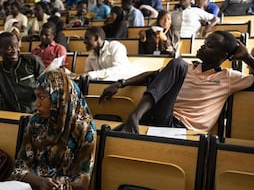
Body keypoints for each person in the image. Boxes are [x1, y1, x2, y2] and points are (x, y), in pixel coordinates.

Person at [99, 31, 254, 133]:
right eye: (205, 42)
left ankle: (135, 117)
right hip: (164, 118)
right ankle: (134, 118)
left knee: (177, 63)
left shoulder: (229, 78)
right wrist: (120, 84)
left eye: (209, 45)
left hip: (186, 130)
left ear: (223, 54)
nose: (203, 46)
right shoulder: (188, 67)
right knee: (178, 64)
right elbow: (150, 75)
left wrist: (247, 57)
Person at [10, 69, 97, 190]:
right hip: (30, 189)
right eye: (36, 96)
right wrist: (38, 181)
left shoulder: (84, 130)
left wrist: (53, 185)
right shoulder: (35, 122)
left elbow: (81, 180)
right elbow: (20, 165)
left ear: (59, 98)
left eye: (42, 97)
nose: (36, 103)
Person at [0, 32, 45, 116]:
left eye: (16, 46)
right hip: (11, 114)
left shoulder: (32, 61)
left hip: (36, 112)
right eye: (9, 48)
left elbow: (46, 88)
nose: (15, 51)